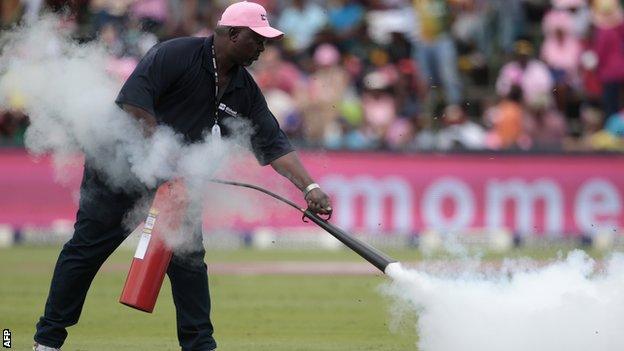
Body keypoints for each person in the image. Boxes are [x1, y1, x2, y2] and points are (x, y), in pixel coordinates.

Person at [32, 2, 333, 351]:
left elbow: (274, 143)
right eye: (257, 39)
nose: (263, 47)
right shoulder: (176, 54)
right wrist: (165, 153)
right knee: (86, 252)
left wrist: (309, 187)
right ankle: (47, 341)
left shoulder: (244, 88)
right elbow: (133, 103)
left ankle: (200, 347)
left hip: (174, 181)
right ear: (233, 34)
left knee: (189, 262)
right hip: (118, 166)